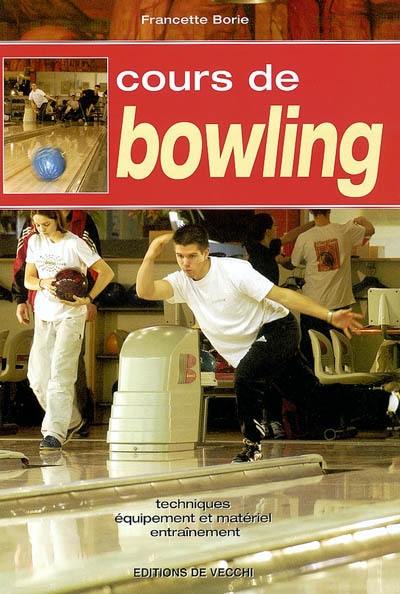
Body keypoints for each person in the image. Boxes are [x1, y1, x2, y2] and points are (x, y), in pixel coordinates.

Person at [136, 224, 395, 463]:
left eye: (191, 256)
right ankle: (388, 402)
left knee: (245, 376)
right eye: (180, 256)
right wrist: (150, 255)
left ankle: (252, 445)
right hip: (252, 346)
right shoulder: (181, 282)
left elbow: (283, 295)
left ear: (206, 253)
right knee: (313, 399)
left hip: (277, 328)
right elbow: (145, 291)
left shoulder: (234, 272)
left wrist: (328, 315)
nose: (185, 263)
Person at [24, 210, 114, 451]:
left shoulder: (75, 244)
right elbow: (28, 279)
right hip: (43, 314)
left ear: (57, 220)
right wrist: (42, 283)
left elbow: (107, 273)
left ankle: (54, 433)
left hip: (71, 316)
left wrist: (89, 298)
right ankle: (73, 420)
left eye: (45, 224)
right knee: (37, 379)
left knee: (60, 374)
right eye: (37, 224)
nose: (41, 229)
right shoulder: (34, 241)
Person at [244, 213, 315, 439]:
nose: (276, 230)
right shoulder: (255, 254)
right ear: (267, 230)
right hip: (262, 318)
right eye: (273, 227)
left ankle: (272, 419)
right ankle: (269, 419)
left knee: (271, 369)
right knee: (268, 369)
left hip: (272, 316)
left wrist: (315, 224)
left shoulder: (265, 249)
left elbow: (289, 237)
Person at [291, 209, 375, 367]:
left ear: (311, 211)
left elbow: (295, 262)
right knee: (340, 355)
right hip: (339, 305)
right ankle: (338, 389)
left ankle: (314, 389)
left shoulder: (304, 237)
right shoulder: (345, 230)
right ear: (329, 210)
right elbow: (371, 230)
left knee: (312, 354)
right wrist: (362, 219)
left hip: (312, 306)